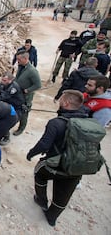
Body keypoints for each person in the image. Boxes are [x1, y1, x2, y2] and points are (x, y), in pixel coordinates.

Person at [26, 90, 88, 227]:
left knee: (39, 173)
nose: (59, 101)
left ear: (66, 103)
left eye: (61, 99)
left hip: (57, 165)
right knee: (64, 193)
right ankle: (52, 217)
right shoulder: (88, 121)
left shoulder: (56, 123)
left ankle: (41, 200)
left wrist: (31, 154)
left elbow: (44, 144)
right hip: (78, 167)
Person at [14, 51, 41, 135]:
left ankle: (21, 128)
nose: (18, 61)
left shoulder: (32, 71)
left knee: (24, 113)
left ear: (25, 58)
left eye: (19, 59)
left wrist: (28, 90)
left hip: (26, 96)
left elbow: (38, 85)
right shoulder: (21, 67)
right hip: (18, 94)